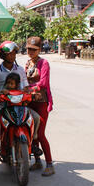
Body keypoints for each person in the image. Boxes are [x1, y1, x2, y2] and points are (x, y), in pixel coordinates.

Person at [0, 41, 41, 160]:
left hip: (20, 105)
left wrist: (31, 93)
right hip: (2, 106)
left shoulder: (20, 70)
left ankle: (32, 141)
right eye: (9, 54)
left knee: (35, 118)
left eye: (14, 53)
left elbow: (26, 87)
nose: (12, 56)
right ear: (3, 55)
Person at [25, 37, 54, 176]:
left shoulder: (44, 63)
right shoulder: (27, 63)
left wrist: (29, 89)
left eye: (33, 49)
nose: (30, 51)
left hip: (41, 101)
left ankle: (49, 164)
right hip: (29, 102)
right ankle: (37, 161)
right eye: (29, 49)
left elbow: (43, 83)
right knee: (31, 134)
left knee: (40, 134)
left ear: (39, 50)